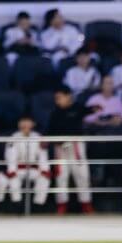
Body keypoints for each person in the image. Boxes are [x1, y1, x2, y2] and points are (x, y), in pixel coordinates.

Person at [47, 86, 93, 215]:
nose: (57, 101)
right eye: (56, 98)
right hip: (60, 148)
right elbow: (49, 132)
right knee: (61, 176)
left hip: (76, 146)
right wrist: (55, 141)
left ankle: (86, 204)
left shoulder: (78, 108)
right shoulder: (54, 113)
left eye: (59, 97)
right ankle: (62, 205)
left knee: (82, 175)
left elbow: (90, 111)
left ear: (68, 96)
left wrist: (96, 109)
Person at [5, 112, 50, 206]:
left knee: (44, 179)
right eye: (23, 121)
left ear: (33, 124)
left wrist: (45, 170)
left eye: (28, 121)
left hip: (34, 169)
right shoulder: (13, 137)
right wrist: (12, 171)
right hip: (19, 169)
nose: (25, 124)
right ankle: (17, 204)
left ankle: (38, 205)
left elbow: (43, 155)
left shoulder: (38, 137)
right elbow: (10, 157)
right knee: (13, 179)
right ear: (19, 124)